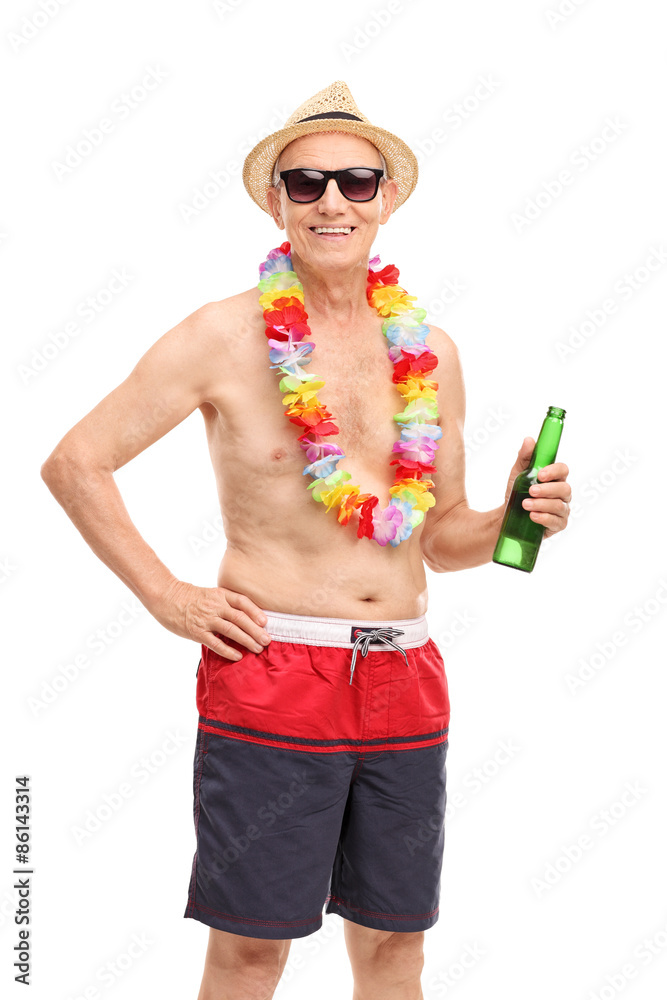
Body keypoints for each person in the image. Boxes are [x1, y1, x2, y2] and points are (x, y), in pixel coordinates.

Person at [40, 80, 572, 1000]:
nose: (333, 201)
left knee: (395, 947)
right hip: (276, 670)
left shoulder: (431, 351)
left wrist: (513, 516)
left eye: (356, 181)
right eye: (306, 182)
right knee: (252, 952)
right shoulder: (220, 336)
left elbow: (440, 537)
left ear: (386, 198)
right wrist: (167, 595)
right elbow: (76, 462)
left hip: (406, 675)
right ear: (274, 200)